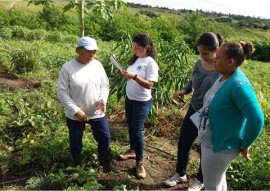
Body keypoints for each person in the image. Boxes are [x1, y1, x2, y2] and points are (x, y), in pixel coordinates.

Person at [198, 41, 264, 190]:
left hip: (219, 148)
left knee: (212, 186)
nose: (214, 59)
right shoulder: (225, 76)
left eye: (218, 57)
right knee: (218, 182)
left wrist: (246, 144)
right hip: (212, 142)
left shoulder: (238, 85)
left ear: (230, 61)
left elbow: (257, 119)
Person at [164, 32, 223, 190]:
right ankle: (180, 174)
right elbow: (192, 81)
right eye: (199, 52)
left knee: (204, 147)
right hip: (194, 108)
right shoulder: (198, 63)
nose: (201, 56)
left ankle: (200, 180)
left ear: (216, 49)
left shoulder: (221, 68)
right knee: (184, 143)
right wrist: (184, 90)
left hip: (208, 113)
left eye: (205, 53)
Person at [57, 36, 119, 172]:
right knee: (75, 141)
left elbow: (105, 85)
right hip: (76, 114)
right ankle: (78, 167)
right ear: (78, 50)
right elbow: (62, 92)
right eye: (88, 51)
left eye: (94, 52)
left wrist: (103, 99)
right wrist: (76, 110)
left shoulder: (97, 65)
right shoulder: (68, 68)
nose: (91, 55)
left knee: (104, 137)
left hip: (96, 111)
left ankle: (106, 164)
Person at [118, 33, 159, 179]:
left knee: (137, 131)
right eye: (133, 46)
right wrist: (124, 74)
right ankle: (132, 150)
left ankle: (139, 161)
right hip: (130, 99)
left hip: (142, 102)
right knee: (130, 126)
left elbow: (149, 85)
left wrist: (134, 76)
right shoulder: (136, 60)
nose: (135, 49)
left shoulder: (150, 63)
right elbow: (132, 77)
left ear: (146, 47)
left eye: (138, 47)